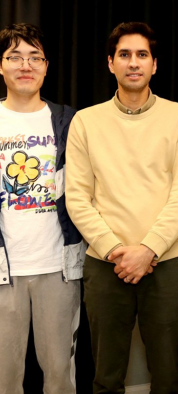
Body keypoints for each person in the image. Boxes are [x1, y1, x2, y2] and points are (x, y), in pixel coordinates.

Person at [65, 22, 178, 394]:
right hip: (106, 265)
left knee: (167, 377)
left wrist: (148, 249)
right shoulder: (86, 122)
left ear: (154, 64)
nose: (133, 62)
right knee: (106, 378)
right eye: (124, 54)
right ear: (111, 63)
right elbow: (77, 197)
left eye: (142, 55)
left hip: (166, 264)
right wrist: (117, 250)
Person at [0, 23, 85, 394]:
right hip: (3, 271)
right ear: (0, 65)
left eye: (35, 57)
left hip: (59, 267)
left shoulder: (69, 121)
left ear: (47, 66)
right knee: (4, 377)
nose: (25, 64)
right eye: (15, 56)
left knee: (59, 376)